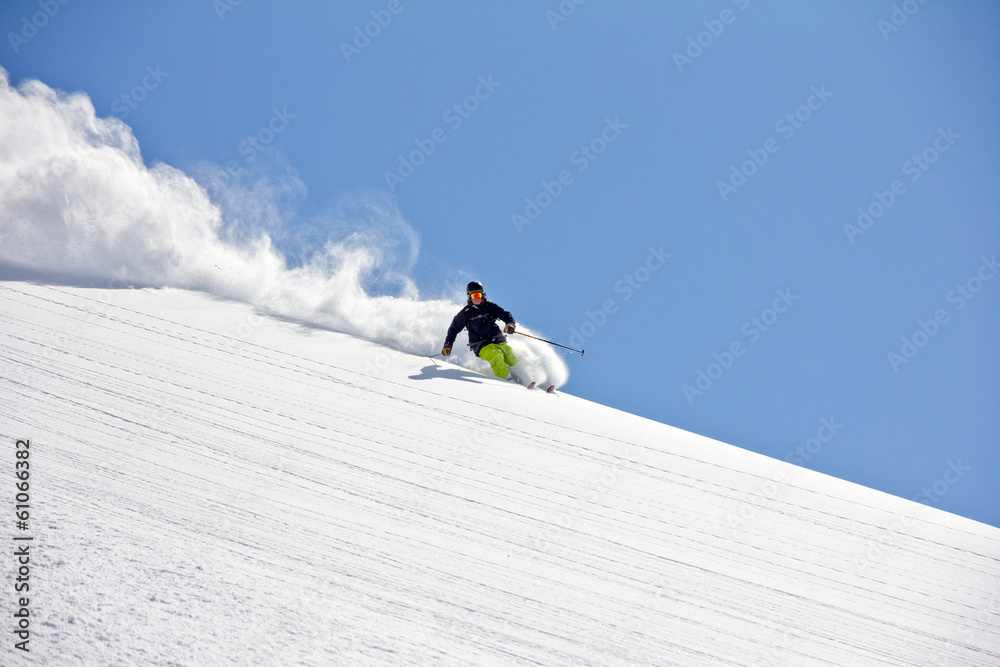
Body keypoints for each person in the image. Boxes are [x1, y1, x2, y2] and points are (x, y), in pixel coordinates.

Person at [441, 281, 523, 382]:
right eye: (474, 295)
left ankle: (523, 377)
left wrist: (510, 324)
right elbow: (454, 328)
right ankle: (507, 380)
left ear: (483, 295)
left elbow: (505, 315)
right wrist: (448, 344)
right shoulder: (466, 313)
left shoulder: (489, 307)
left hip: (497, 339)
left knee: (509, 353)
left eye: (479, 294)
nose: (477, 298)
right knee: (496, 355)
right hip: (481, 345)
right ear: (469, 297)